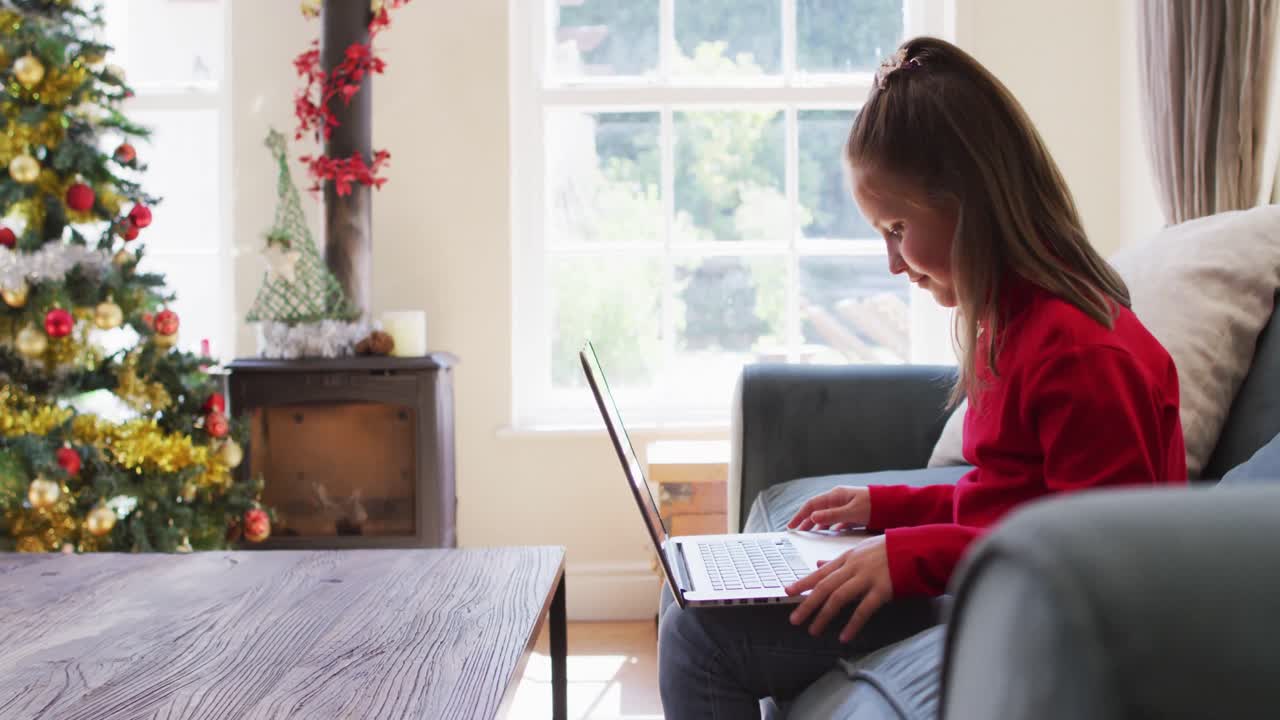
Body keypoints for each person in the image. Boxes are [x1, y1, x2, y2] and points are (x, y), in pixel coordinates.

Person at [657, 36, 1187, 718]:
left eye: (897, 228)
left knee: (700, 637)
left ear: (972, 201)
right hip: (990, 585)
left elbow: (1094, 554)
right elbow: (1010, 497)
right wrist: (886, 509)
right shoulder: (1013, 318)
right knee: (693, 592)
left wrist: (905, 558)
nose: (892, 263)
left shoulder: (1081, 353)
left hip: (1030, 614)